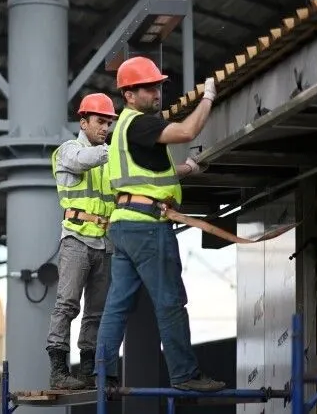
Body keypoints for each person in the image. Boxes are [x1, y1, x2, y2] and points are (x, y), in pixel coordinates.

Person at [94, 56, 225, 392]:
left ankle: (103, 377)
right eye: (148, 88)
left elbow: (142, 178)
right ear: (129, 95)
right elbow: (188, 130)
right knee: (170, 301)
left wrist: (188, 170)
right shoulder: (141, 124)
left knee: (117, 306)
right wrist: (209, 96)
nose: (157, 93)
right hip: (147, 227)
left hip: (124, 226)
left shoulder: (122, 130)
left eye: (158, 86)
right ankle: (185, 375)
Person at [46, 93, 118, 390]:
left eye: (110, 123)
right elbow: (83, 160)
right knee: (67, 304)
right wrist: (118, 150)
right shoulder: (69, 151)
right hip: (75, 239)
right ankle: (59, 371)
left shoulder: (107, 156)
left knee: (96, 312)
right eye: (101, 121)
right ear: (83, 121)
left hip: (104, 242)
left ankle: (89, 369)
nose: (106, 128)